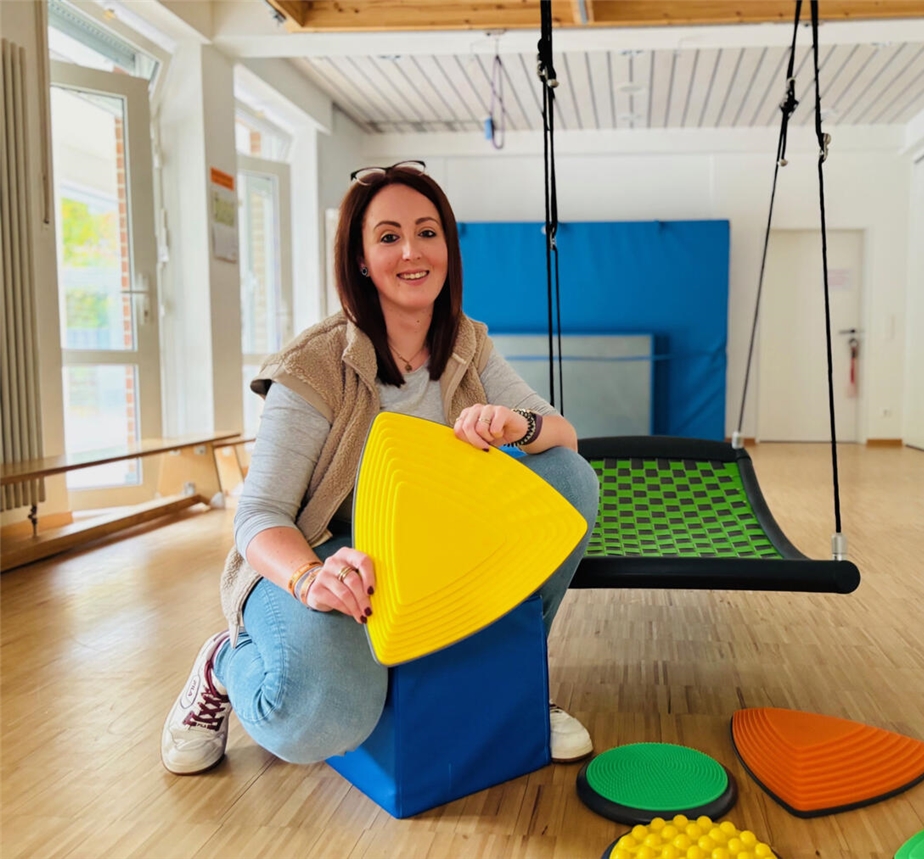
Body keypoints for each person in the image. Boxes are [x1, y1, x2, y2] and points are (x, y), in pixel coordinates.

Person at [161, 161, 599, 775]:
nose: (412, 251)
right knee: (322, 716)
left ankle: (514, 679)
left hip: (421, 548)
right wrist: (311, 578)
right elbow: (258, 515)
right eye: (389, 236)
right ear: (362, 259)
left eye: (427, 232)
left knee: (569, 481)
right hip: (324, 558)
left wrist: (514, 426)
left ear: (447, 245)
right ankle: (222, 667)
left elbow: (565, 440)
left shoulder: (468, 344)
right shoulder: (315, 365)